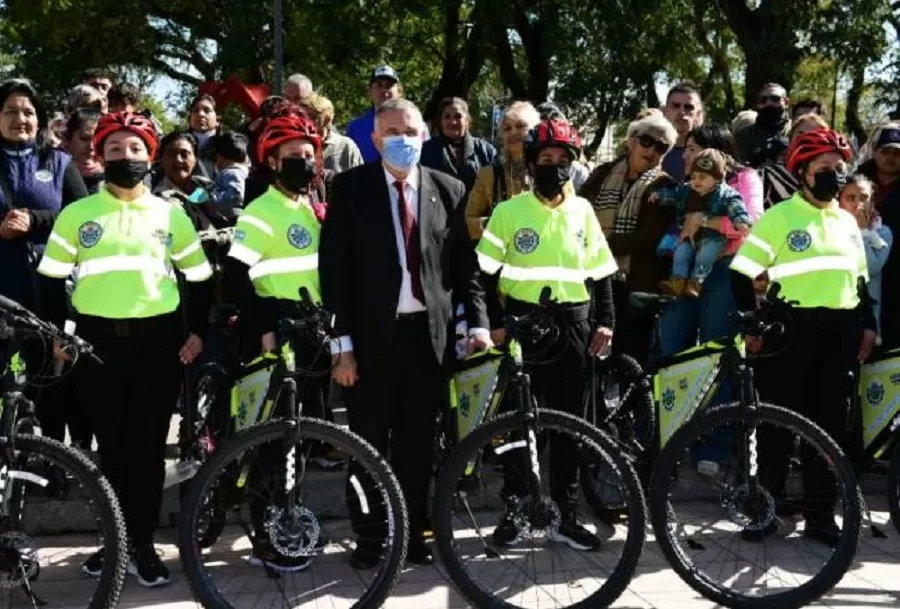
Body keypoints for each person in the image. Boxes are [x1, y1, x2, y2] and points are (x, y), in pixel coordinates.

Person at [37, 111, 212, 585]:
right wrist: (59, 333)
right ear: (100, 155)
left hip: (158, 346)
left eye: (135, 148)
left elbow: (200, 280)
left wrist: (196, 332)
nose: (125, 156)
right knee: (111, 451)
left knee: (149, 450)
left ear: (149, 154)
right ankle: (113, 542)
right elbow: (50, 282)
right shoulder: (77, 214)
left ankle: (143, 544)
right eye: (115, 149)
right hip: (95, 347)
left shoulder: (171, 214)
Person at [320, 98, 490, 568]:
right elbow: (333, 276)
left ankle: (414, 534)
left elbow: (465, 271)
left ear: (424, 136)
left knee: (418, 449)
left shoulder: (450, 188)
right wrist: (342, 348)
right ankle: (371, 537)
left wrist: (477, 323)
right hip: (370, 345)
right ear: (375, 141)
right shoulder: (351, 189)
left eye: (411, 131)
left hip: (428, 345)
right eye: (392, 132)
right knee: (367, 447)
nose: (403, 139)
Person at [730, 127, 876, 547]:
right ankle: (764, 511)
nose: (833, 174)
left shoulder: (847, 221)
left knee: (829, 429)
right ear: (803, 171)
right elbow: (740, 273)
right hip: (790, 331)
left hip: (840, 333)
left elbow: (860, 282)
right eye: (823, 168)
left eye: (838, 168)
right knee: (776, 427)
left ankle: (820, 517)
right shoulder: (780, 217)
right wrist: (753, 324)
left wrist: (868, 325)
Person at [476, 117, 617, 551]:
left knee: (570, 425)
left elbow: (602, 275)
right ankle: (517, 509)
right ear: (531, 163)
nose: (552, 168)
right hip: (523, 326)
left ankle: (566, 512)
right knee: (521, 424)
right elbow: (480, 276)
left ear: (572, 164)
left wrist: (606, 321)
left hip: (574, 324)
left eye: (561, 160)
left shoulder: (583, 211)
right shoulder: (507, 212)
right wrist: (492, 324)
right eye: (544, 160)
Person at [223, 114, 332, 572]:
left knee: (302, 435)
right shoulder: (261, 210)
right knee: (274, 439)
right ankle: (268, 531)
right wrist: (266, 323)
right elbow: (234, 276)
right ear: (271, 161)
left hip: (315, 329)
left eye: (309, 156)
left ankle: (294, 517)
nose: (304, 164)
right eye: (294, 157)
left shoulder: (312, 206)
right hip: (278, 330)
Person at [0, 78, 89, 446]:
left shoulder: (58, 161)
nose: (20, 118)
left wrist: (35, 220)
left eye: (28, 112)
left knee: (50, 377)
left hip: (48, 289)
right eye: (10, 111)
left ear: (39, 119)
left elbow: (84, 217)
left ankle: (52, 457)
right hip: (4, 288)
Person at [579, 113, 677, 366]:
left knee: (630, 358)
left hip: (635, 284)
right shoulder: (602, 174)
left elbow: (651, 235)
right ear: (630, 142)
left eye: (661, 147)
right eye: (646, 141)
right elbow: (578, 211)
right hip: (592, 280)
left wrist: (600, 244)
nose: (652, 150)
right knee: (588, 355)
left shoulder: (665, 186)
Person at [655, 149, 750, 297]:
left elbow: (736, 207)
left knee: (704, 257)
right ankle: (677, 282)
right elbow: (674, 195)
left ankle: (695, 283)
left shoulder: (726, 194)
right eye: (693, 177)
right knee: (681, 254)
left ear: (717, 178)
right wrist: (660, 196)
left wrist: (741, 220)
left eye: (702, 177)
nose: (696, 181)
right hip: (689, 234)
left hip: (713, 237)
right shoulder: (686, 190)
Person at [465, 101, 542, 240]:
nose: (513, 132)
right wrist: (498, 224)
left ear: (535, 130)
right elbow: (470, 222)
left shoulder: (550, 168)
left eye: (520, 126)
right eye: (507, 128)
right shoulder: (488, 175)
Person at [857, 122, 900, 347]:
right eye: (885, 151)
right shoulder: (854, 183)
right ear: (875, 152)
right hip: (859, 279)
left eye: (897, 153)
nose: (891, 157)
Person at [839, 175, 892, 344]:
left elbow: (869, 268)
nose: (858, 204)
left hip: (865, 319)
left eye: (864, 198)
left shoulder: (882, 233)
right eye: (850, 198)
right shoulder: (828, 230)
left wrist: (861, 232)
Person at [421, 97, 496, 197]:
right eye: (447, 117)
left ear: (467, 120)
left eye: (458, 116)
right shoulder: (426, 150)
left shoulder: (485, 151)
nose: (453, 122)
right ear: (440, 122)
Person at [758, 113, 829, 209]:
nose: (805, 140)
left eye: (813, 136)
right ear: (790, 141)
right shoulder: (766, 175)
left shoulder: (832, 179)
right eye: (800, 135)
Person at [346, 65, 403, 163]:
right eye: (379, 85)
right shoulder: (355, 127)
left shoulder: (414, 125)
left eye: (389, 85)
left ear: (399, 91)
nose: (384, 91)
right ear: (370, 92)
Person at [298, 93, 363, 173]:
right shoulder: (296, 144)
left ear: (326, 120)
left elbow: (359, 178)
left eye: (310, 117)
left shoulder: (344, 146)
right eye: (300, 116)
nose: (303, 121)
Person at [737, 83, 792, 168]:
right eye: (763, 100)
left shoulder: (796, 131)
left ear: (786, 102)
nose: (768, 103)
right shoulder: (743, 135)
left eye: (775, 99)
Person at [661, 83, 705, 181]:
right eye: (675, 106)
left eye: (689, 107)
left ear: (698, 114)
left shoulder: (708, 153)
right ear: (664, 111)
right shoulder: (650, 148)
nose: (682, 112)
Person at [63, 109, 104, 194]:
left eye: (99, 141)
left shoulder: (115, 183)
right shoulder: (56, 179)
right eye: (85, 138)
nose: (91, 147)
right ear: (67, 139)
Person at [209, 131, 249, 215]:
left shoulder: (233, 172)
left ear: (219, 156)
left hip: (230, 219)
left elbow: (235, 195)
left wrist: (213, 202)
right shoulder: (236, 171)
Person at [188, 94, 220, 177]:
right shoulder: (175, 143)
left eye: (207, 110)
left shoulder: (229, 144)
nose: (201, 114)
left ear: (217, 118)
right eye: (196, 111)